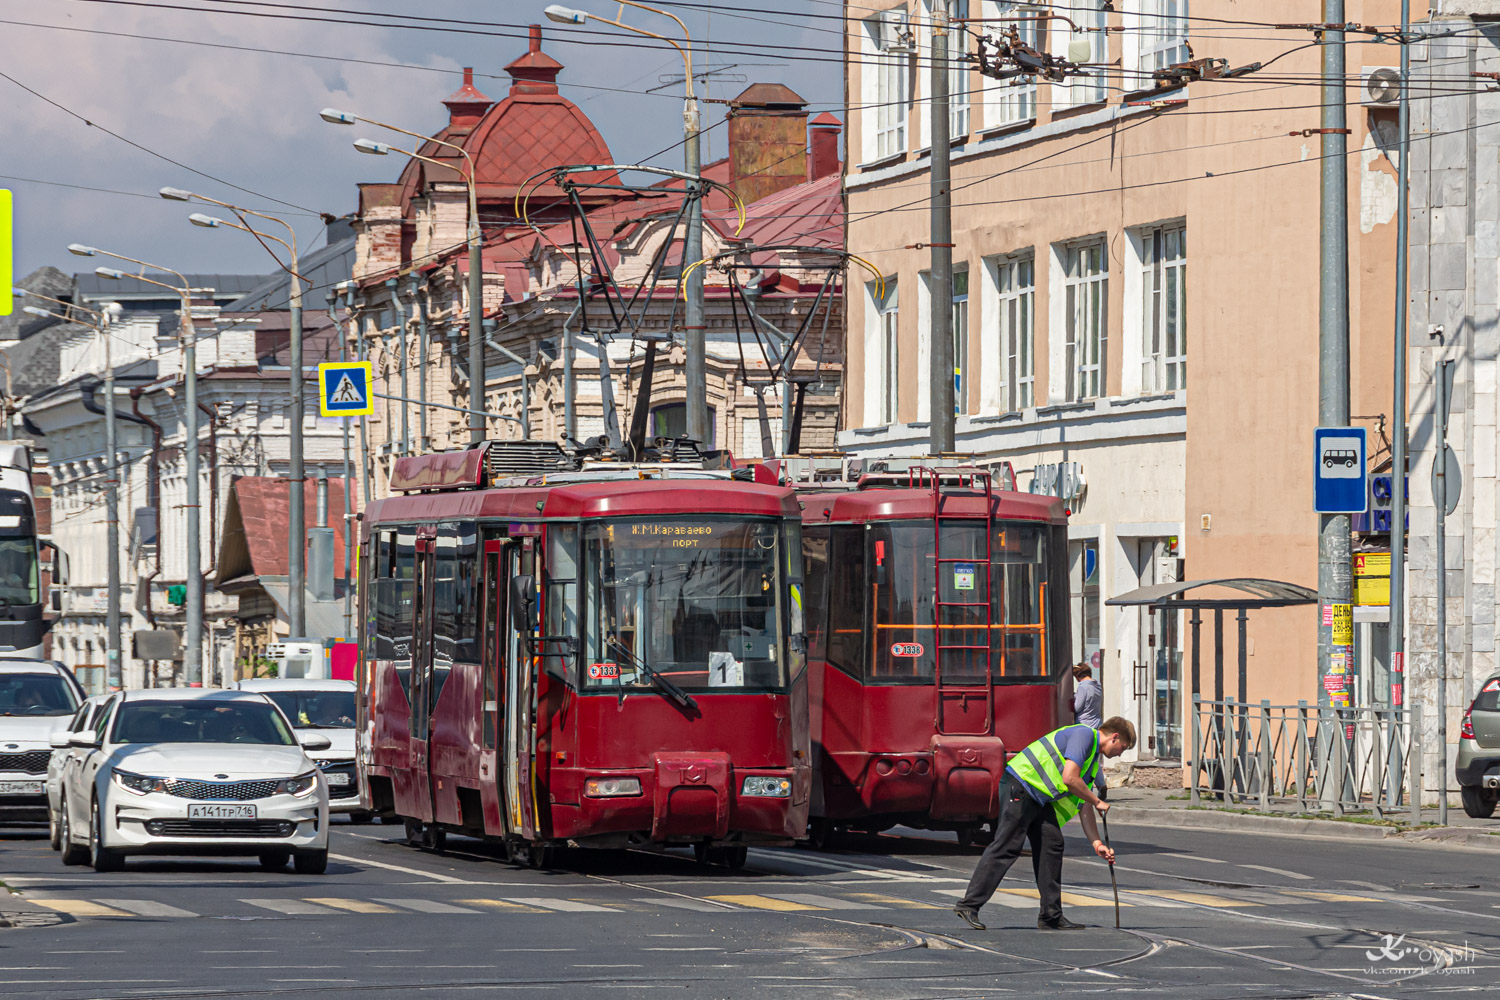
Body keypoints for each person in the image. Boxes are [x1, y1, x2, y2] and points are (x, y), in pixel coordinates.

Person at [954, 716, 1136, 931]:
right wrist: (1098, 801)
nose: (1120, 754)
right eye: (1123, 747)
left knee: (1052, 844)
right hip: (1021, 785)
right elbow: (1070, 778)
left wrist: (1097, 844)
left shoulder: (1092, 761)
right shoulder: (1084, 735)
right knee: (1007, 846)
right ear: (1114, 737)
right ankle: (969, 905)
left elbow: (1084, 804)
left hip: (1039, 798)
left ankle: (1051, 915)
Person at [1073, 662, 1103, 728]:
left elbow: (1077, 707)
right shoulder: (1098, 686)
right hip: (1097, 723)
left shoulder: (1083, 687)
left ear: (1077, 676)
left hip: (1084, 724)